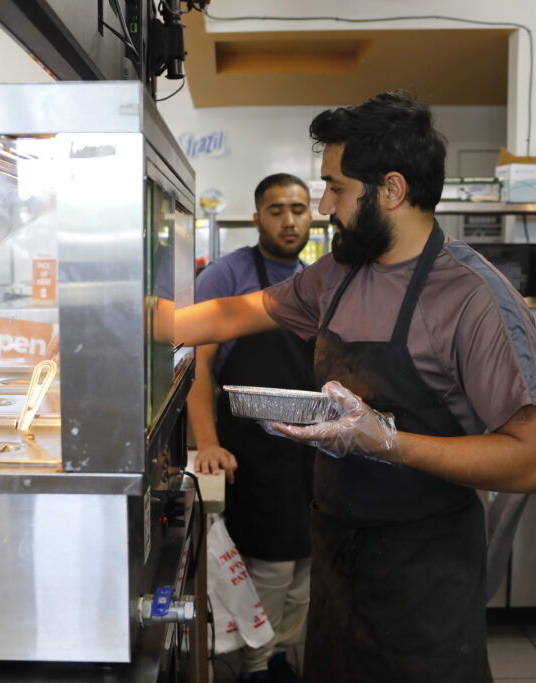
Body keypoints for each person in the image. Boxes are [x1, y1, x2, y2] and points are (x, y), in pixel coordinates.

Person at [175, 91, 536, 683]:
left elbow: (534, 462)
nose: (323, 206)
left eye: (336, 188)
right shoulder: (341, 276)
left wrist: (387, 442)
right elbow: (228, 316)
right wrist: (132, 319)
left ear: (392, 190)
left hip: (422, 580)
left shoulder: (475, 298)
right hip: (338, 558)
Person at [189, 174, 316, 683]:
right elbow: (195, 366)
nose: (290, 220)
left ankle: (284, 660)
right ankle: (258, 667)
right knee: (267, 570)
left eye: (300, 209)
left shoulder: (314, 280)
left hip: (309, 454)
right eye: (277, 209)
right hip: (252, 455)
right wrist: (208, 443)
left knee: (304, 573)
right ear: (257, 215)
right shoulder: (226, 275)